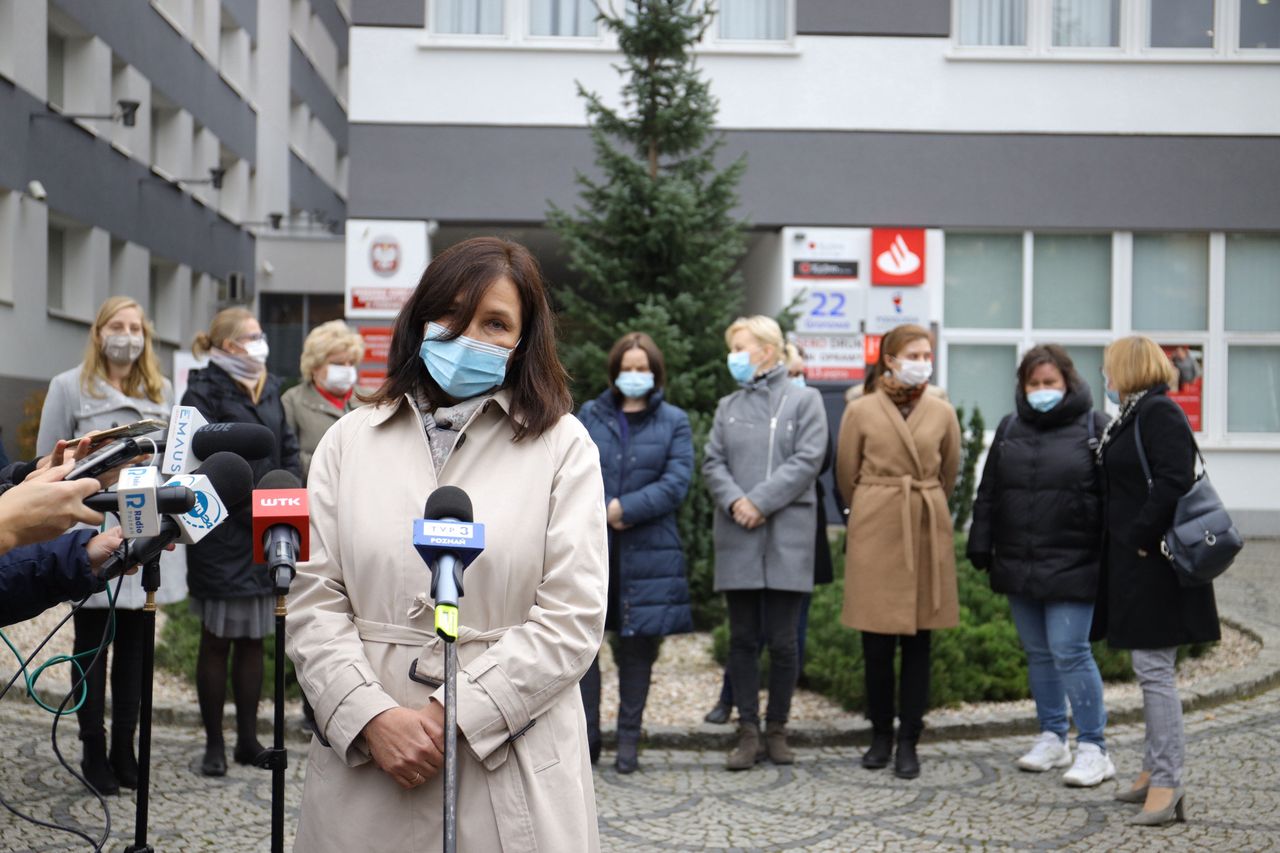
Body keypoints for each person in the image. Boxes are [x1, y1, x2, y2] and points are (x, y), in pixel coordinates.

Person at [285, 237, 607, 850]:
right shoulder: (349, 441)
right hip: (370, 764)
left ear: (523, 340)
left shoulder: (564, 446)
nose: (469, 337)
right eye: (452, 315)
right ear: (420, 319)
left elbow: (573, 616)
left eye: (495, 323)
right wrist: (370, 716)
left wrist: (454, 712)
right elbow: (312, 600)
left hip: (508, 759)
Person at [36, 296, 175, 796]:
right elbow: (45, 465)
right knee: (92, 648)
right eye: (117, 325)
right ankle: (92, 749)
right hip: (91, 535)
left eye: (136, 326)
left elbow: (175, 461)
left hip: (144, 531)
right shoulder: (68, 387)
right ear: (99, 333)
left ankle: (125, 750)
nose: (127, 334)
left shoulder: (163, 390)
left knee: (136, 654)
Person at [967, 344, 1114, 787]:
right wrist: (981, 542)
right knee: (1039, 654)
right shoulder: (1011, 427)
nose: (1042, 391)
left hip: (1076, 561)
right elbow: (989, 491)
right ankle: (1052, 736)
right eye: (1034, 383)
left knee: (1070, 650)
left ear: (1067, 382)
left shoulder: (1095, 427)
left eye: (1050, 382)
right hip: (1019, 561)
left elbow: (1113, 498)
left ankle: (1094, 747)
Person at [1093, 335, 1219, 827]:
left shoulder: (1159, 412)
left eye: (1109, 368)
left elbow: (1173, 479)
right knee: (1149, 669)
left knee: (1154, 672)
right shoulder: (1134, 414)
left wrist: (1140, 535)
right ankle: (1151, 771)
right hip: (1136, 561)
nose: (1105, 376)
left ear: (1126, 368)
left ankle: (1167, 782)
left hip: (1155, 562)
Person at [836, 323, 960, 780]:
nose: (923, 361)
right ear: (889, 359)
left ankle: (910, 739)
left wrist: (923, 502)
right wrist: (871, 507)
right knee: (875, 643)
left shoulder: (942, 411)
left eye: (928, 353)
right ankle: (880, 735)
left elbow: (950, 471)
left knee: (918, 643)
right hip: (876, 525)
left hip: (925, 525)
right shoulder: (861, 409)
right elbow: (845, 471)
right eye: (914, 353)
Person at [703, 316, 828, 771]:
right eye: (731, 347)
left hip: (786, 538)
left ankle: (778, 728)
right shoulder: (728, 406)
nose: (733, 356)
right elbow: (713, 462)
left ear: (768, 351)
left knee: (782, 641)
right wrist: (738, 501)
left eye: (741, 346)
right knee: (742, 640)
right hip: (738, 535)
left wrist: (760, 501)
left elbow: (808, 459)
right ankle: (748, 731)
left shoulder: (805, 400)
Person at [183, 306, 301, 776]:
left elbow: (285, 445)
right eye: (251, 336)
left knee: (254, 640)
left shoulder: (269, 385)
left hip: (264, 526)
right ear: (228, 345)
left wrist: (286, 487)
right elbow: (198, 459)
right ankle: (214, 743)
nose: (260, 343)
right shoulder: (202, 390)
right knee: (217, 640)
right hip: (220, 530)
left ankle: (248, 740)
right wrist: (243, 499)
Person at [576, 332, 694, 773]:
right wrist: (600, 509)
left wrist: (626, 508)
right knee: (584, 648)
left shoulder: (674, 421)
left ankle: (629, 741)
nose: (635, 375)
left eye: (643, 368)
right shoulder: (592, 414)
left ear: (656, 373)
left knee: (637, 651)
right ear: (615, 371)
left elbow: (677, 480)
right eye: (628, 367)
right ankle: (587, 739)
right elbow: (573, 469)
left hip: (650, 554)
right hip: (595, 550)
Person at [282, 320, 365, 483]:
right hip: (315, 492)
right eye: (338, 364)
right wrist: (336, 467)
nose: (347, 369)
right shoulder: (292, 401)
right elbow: (287, 456)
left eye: (351, 363)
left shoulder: (371, 399)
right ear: (314, 366)